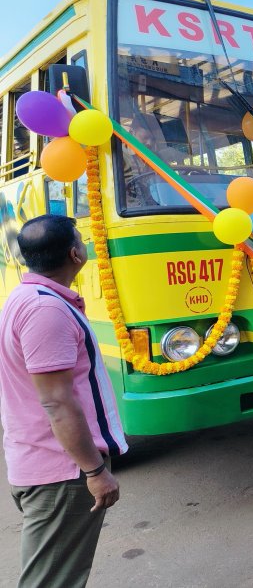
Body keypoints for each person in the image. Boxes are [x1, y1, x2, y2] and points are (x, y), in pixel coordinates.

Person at [0, 215, 128, 588]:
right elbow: (57, 402)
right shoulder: (46, 310)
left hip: (45, 463)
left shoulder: (25, 297)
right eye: (81, 239)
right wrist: (95, 471)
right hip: (62, 472)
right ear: (75, 254)